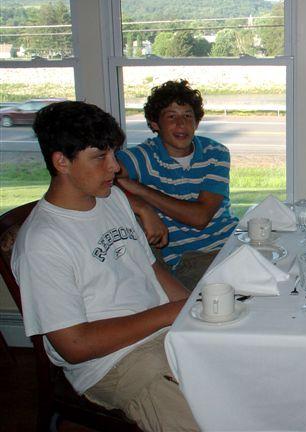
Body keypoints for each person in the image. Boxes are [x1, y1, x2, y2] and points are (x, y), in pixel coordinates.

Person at [12, 101, 198, 432]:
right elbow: (75, 346)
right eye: (100, 156)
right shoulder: (43, 242)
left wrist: (195, 310)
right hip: (114, 364)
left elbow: (151, 269)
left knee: (248, 378)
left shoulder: (112, 199)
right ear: (61, 162)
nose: (115, 166)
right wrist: (171, 314)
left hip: (166, 334)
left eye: (114, 152)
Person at [117, 79, 237, 289]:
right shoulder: (143, 157)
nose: (181, 124)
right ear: (155, 124)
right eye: (171, 116)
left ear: (196, 122)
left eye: (188, 116)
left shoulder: (215, 153)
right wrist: (143, 208)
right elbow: (101, 175)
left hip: (232, 246)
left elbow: (200, 217)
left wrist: (142, 191)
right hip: (192, 260)